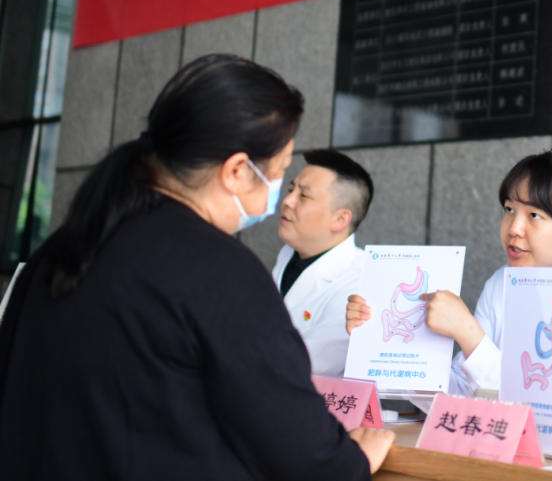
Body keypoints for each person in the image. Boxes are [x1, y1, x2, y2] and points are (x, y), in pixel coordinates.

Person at [0, 55, 394, 480]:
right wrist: (351, 461)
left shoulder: (64, 244)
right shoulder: (219, 271)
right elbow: (297, 445)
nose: (283, 196)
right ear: (237, 171)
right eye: (282, 174)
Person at [346, 149, 552, 419]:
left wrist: (468, 334)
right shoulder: (502, 283)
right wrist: (384, 341)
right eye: (509, 209)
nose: (514, 228)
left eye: (534, 215)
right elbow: (465, 397)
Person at [273, 149, 372, 376]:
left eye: (303, 196)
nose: (287, 201)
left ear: (340, 218)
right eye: (291, 190)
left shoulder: (360, 283)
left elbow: (308, 365)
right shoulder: (289, 253)